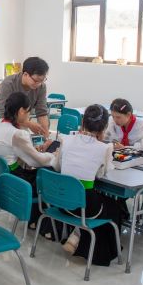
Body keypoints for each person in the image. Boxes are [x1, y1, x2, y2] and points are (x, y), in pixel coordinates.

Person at [51, 104, 124, 266]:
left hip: (62, 201)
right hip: (85, 207)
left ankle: (78, 236)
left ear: (83, 122)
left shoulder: (66, 140)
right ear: (104, 127)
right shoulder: (105, 147)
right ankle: (101, 252)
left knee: (96, 200)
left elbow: (56, 167)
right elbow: (101, 174)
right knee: (115, 207)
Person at [0, 92, 57, 236]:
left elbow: (20, 152)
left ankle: (35, 220)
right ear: (21, 111)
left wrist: (35, 151)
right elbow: (36, 161)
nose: (29, 116)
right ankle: (47, 227)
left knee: (41, 172)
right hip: (17, 181)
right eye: (28, 112)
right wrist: (53, 155)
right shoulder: (17, 134)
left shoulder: (0, 123)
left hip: (3, 179)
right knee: (50, 175)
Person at [0, 56, 50, 137]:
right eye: (36, 80)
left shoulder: (41, 87)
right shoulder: (9, 84)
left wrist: (46, 135)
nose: (38, 84)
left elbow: (42, 112)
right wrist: (29, 124)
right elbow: (4, 113)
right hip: (1, 119)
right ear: (25, 74)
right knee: (5, 143)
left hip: (22, 119)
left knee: (24, 141)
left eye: (42, 80)